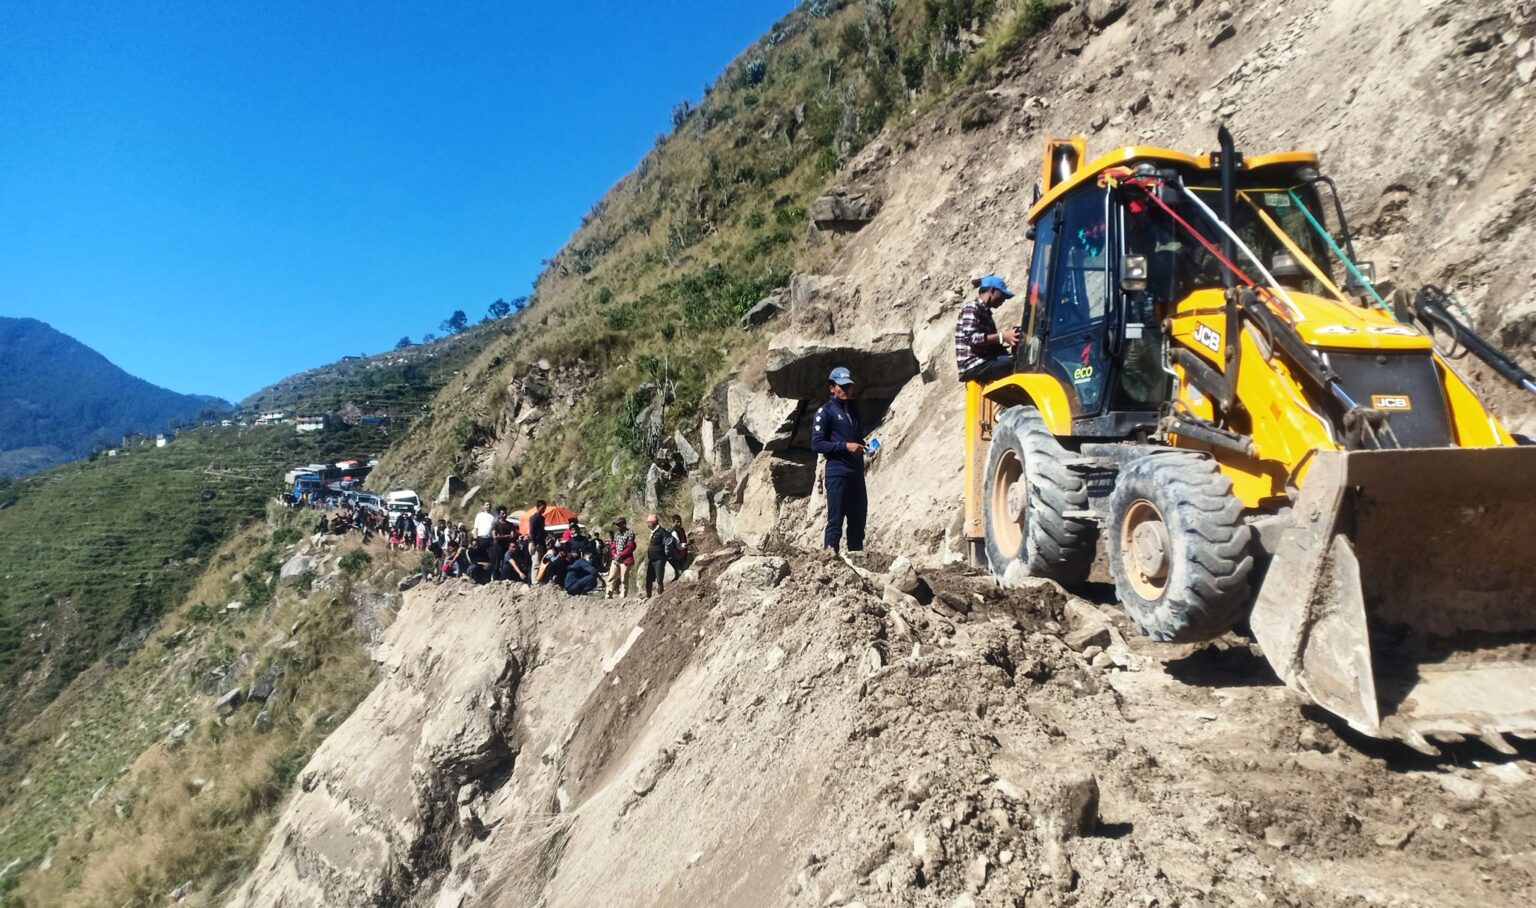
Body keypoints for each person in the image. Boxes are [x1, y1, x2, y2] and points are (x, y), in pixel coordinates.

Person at [810, 366, 868, 554]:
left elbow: (856, 439)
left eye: (848, 386)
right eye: (841, 386)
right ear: (832, 388)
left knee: (858, 522)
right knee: (835, 522)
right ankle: (830, 564)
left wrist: (863, 447)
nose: (845, 390)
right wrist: (845, 446)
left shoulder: (854, 409)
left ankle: (857, 563)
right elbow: (817, 444)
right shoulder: (825, 412)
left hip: (856, 473)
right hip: (837, 473)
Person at [954, 274, 1021, 384]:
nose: (1003, 300)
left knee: (1020, 359)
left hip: (984, 362)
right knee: (1018, 364)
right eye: (1002, 296)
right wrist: (1003, 336)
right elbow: (972, 339)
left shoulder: (986, 313)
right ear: (992, 290)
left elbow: (990, 345)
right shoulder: (971, 308)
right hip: (973, 365)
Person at [644, 513, 676, 598]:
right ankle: (648, 596)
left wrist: (666, 554)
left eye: (649, 523)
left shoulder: (662, 532)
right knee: (649, 579)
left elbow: (667, 543)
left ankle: (660, 596)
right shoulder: (653, 532)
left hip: (659, 558)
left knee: (659, 579)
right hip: (651, 559)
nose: (647, 524)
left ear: (653, 523)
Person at [606, 517, 636, 599]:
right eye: (616, 525)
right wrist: (614, 554)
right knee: (611, 576)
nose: (617, 527)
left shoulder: (630, 533)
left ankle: (623, 594)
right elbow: (613, 546)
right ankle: (609, 593)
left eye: (618, 525)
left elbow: (630, 547)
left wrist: (621, 555)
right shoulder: (616, 534)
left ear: (623, 524)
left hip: (625, 559)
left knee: (624, 578)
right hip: (616, 559)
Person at [491, 507, 515, 580]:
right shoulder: (496, 524)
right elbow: (494, 537)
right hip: (498, 546)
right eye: (503, 513)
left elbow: (512, 535)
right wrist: (506, 536)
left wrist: (501, 536)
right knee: (497, 563)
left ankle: (504, 578)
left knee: (506, 562)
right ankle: (495, 579)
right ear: (499, 515)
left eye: (505, 513)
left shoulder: (510, 524)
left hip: (506, 546)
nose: (504, 515)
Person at [667, 514, 689, 580]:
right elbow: (677, 545)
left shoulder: (682, 530)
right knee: (680, 573)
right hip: (677, 555)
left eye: (679, 521)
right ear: (673, 523)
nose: (679, 523)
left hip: (683, 553)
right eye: (677, 522)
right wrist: (685, 545)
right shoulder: (674, 532)